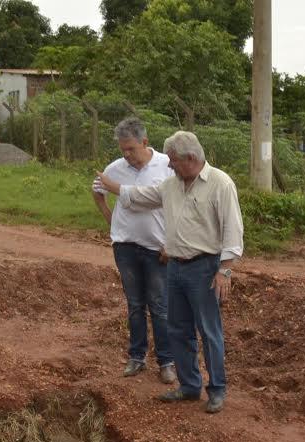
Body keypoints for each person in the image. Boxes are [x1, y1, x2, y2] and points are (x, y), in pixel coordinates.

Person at [97, 130, 244, 414]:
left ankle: (217, 390)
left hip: (205, 268)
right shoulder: (171, 185)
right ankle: (190, 386)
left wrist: (225, 270)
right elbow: (141, 196)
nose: (169, 165)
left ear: (190, 158)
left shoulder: (220, 184)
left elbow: (233, 230)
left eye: (173, 160)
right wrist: (113, 187)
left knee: (209, 331)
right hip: (174, 267)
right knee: (178, 328)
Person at [92, 118, 177, 384]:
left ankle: (167, 361)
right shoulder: (115, 169)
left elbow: (179, 205)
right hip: (125, 246)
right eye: (122, 150)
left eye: (131, 149)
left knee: (160, 306)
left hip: (157, 247)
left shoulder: (166, 166)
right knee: (135, 305)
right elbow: (97, 190)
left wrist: (171, 242)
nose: (127, 155)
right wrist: (111, 220)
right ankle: (137, 357)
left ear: (144, 142)